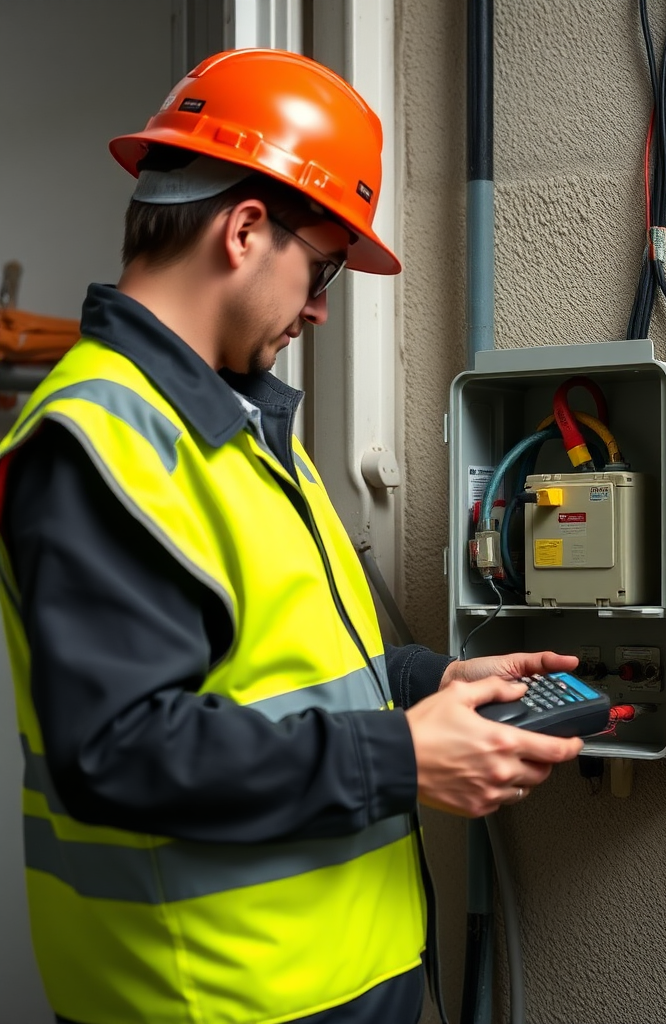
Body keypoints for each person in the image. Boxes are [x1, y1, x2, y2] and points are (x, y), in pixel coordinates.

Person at [0, 49, 583, 1024]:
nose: (319, 307)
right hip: (215, 999)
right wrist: (401, 756)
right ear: (242, 230)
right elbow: (117, 750)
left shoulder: (235, 422)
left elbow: (280, 665)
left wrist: (424, 685)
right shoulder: (98, 442)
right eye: (322, 270)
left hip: (342, 975)